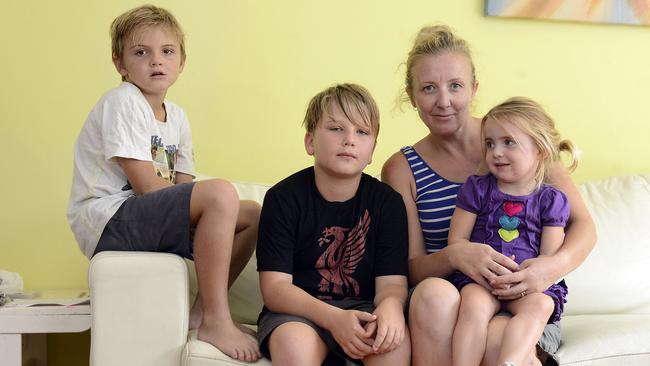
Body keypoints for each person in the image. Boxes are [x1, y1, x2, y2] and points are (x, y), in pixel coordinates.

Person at [381, 25, 596, 366]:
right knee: (434, 294)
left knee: (499, 341)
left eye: (455, 86)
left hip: (525, 297)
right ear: (411, 95)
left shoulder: (520, 139)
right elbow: (411, 269)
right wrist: (456, 255)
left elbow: (584, 225)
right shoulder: (401, 169)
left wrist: (547, 270)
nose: (444, 101)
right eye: (428, 89)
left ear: (474, 88)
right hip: (451, 299)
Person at [67, 5, 261, 362]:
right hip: (108, 218)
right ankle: (219, 320)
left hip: (145, 215)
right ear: (120, 64)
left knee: (251, 213)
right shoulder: (123, 102)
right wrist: (202, 212)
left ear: (181, 62)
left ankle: (203, 313)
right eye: (141, 53)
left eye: (167, 52)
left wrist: (204, 218)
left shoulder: (178, 118)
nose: (156, 61)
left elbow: (183, 186)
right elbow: (145, 187)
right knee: (220, 193)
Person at [256, 84, 411, 365]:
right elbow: (276, 288)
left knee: (393, 346)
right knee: (294, 344)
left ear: (372, 150)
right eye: (336, 128)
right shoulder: (282, 198)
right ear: (310, 142)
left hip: (364, 310)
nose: (349, 140)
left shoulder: (387, 203)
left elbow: (391, 284)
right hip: (298, 312)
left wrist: (390, 307)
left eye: (362, 132)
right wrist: (333, 319)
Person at [448, 97, 578, 366]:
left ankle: (511, 362)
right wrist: (476, 265)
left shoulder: (551, 200)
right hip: (482, 281)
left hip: (526, 286)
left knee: (542, 305)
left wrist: (526, 282)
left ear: (540, 150)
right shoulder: (477, 188)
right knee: (473, 304)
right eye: (490, 143)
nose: (496, 152)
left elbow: (548, 259)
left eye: (509, 142)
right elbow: (457, 241)